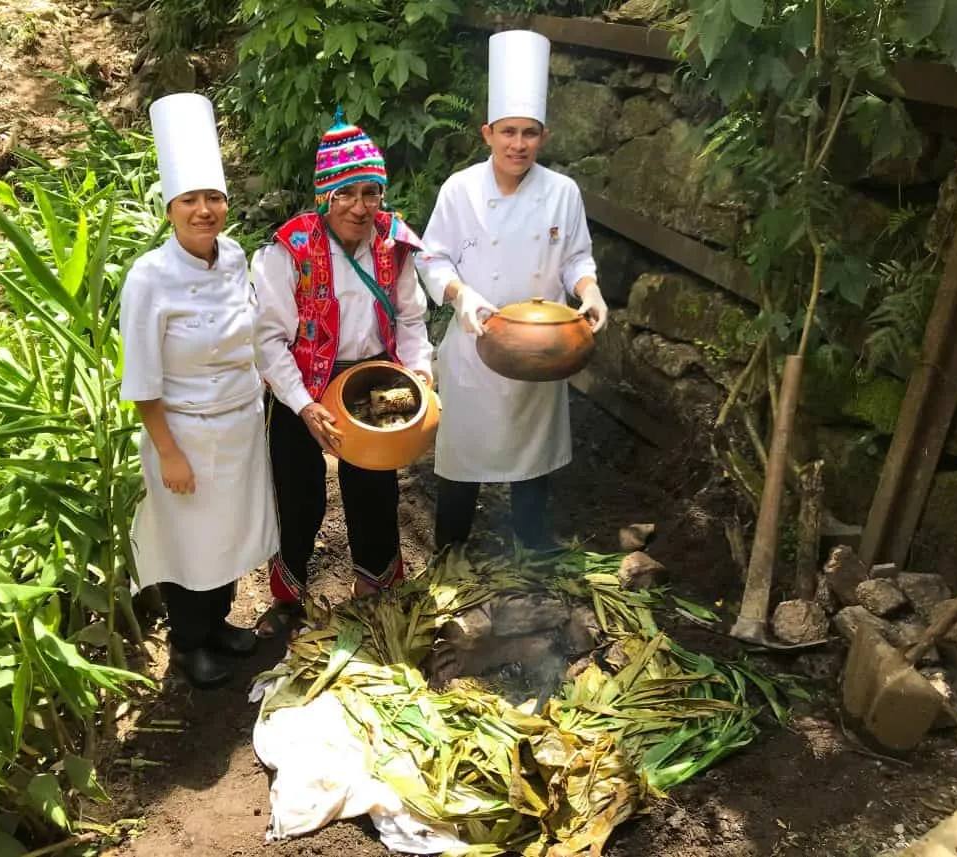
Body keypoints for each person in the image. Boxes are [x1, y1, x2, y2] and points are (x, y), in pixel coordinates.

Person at [415, 30, 609, 552]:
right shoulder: (459, 190)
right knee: (462, 455)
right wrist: (462, 296)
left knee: (532, 453)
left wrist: (589, 292)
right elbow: (432, 257)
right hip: (475, 344)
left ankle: (531, 543)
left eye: (528, 133)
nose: (517, 144)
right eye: (507, 132)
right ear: (487, 133)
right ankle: (450, 549)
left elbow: (575, 259)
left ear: (543, 137)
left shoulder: (562, 192)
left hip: (541, 348)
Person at [119, 93, 279, 689]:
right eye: (191, 200)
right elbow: (140, 380)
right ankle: (188, 644)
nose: (204, 210)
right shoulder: (149, 278)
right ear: (170, 209)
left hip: (238, 422)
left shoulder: (236, 257)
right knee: (190, 542)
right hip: (181, 429)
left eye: (213, 198)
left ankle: (218, 623)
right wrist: (168, 451)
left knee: (231, 532)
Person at [252, 111, 433, 636]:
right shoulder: (290, 250)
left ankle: (375, 586)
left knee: (374, 485)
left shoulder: (392, 244)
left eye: (370, 192)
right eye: (347, 193)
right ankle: (289, 597)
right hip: (298, 382)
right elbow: (267, 339)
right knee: (297, 490)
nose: (360, 206)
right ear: (325, 195)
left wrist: (418, 372)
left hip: (371, 379)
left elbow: (412, 317)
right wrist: (303, 405)